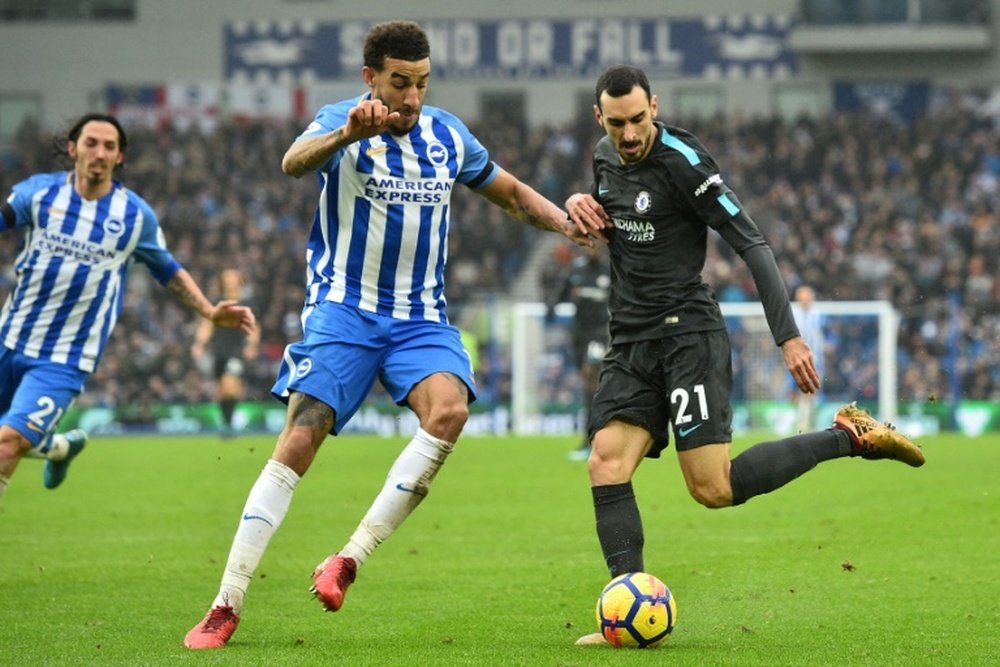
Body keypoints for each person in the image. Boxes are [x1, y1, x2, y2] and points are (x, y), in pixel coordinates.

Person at [184, 20, 598, 650]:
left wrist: (565, 224)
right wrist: (345, 133)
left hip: (419, 320)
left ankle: (347, 559)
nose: (411, 97)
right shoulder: (339, 121)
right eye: (399, 83)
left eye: (422, 83)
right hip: (343, 312)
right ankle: (227, 601)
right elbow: (293, 163)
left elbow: (510, 193)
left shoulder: (447, 135)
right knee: (301, 437)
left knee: (451, 410)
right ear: (370, 77)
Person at [563, 65, 925, 646]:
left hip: (687, 337)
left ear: (653, 106)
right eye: (616, 123)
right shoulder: (604, 159)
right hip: (631, 340)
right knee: (605, 462)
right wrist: (581, 205)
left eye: (638, 120)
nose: (629, 134)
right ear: (598, 117)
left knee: (713, 489)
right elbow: (622, 229)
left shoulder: (685, 161)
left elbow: (751, 242)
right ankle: (626, 607)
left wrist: (788, 335)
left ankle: (849, 436)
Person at [0, 113, 256, 500]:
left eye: (109, 146)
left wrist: (208, 310)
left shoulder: (134, 216)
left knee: (7, 443)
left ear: (119, 157)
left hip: (65, 358)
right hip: (9, 338)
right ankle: (59, 447)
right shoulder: (37, 194)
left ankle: (44, 443)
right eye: (91, 143)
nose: (99, 152)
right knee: (14, 439)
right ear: (73, 149)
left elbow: (167, 269)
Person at [546, 245, 611, 461]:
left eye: (596, 243)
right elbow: (560, 294)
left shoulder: (610, 269)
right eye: (588, 243)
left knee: (591, 376)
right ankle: (591, 438)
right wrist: (551, 307)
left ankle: (593, 439)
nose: (592, 247)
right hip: (579, 334)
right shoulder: (576, 270)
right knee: (587, 387)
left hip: (600, 332)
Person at [191, 268, 260, 438]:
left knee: (230, 387)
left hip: (237, 351)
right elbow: (207, 324)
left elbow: (255, 326)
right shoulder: (217, 302)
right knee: (221, 391)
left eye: (233, 277)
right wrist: (199, 344)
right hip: (219, 350)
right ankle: (227, 424)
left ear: (239, 280)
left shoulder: (247, 303)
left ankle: (228, 426)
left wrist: (252, 344)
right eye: (227, 278)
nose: (230, 281)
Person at [790, 284, 826, 432]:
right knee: (798, 394)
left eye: (807, 295)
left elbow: (829, 335)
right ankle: (803, 423)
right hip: (796, 359)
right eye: (802, 296)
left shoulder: (819, 315)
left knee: (811, 393)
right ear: (797, 297)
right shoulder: (792, 314)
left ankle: (806, 424)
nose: (805, 299)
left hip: (816, 360)